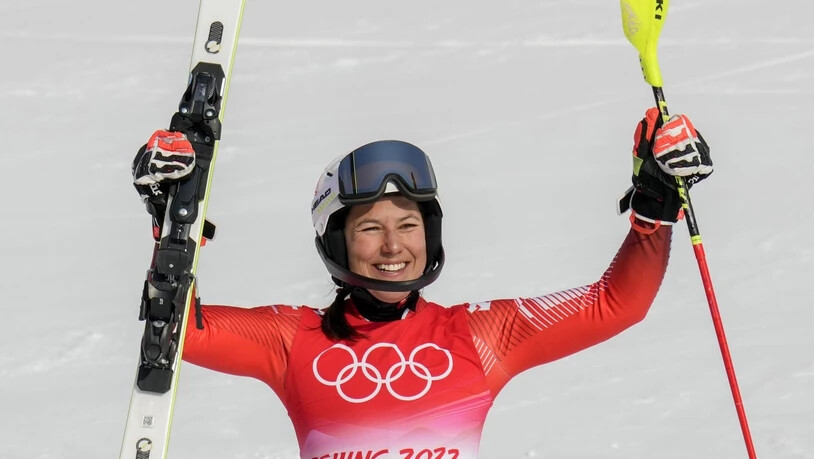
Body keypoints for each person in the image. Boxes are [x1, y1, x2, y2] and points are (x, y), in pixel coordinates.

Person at [131, 107, 713, 459]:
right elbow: (177, 327)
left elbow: (617, 304)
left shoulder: (481, 336)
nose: (393, 247)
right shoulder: (294, 340)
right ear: (336, 241)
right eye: (371, 228)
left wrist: (654, 209)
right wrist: (173, 223)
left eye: (408, 225)